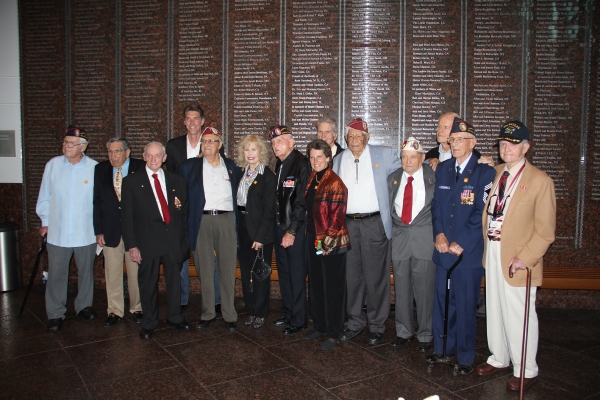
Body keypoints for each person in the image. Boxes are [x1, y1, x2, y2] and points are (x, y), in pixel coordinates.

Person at [476, 121, 556, 392]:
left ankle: (526, 368)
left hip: (518, 258)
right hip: (494, 251)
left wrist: (526, 257)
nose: (506, 148)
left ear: (526, 147)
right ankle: (499, 357)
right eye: (502, 143)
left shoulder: (540, 181)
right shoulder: (496, 173)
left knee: (520, 314)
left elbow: (546, 231)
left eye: (513, 143)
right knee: (495, 309)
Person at [427, 117, 496, 374]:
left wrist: (462, 242)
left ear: (473, 143)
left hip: (467, 254)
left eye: (460, 140)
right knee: (443, 303)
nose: (455, 143)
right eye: (452, 139)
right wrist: (440, 235)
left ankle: (465, 358)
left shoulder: (485, 173)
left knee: (466, 305)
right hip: (444, 249)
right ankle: (442, 350)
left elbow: (483, 213)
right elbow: (437, 207)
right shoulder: (443, 169)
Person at [332, 118, 401, 345]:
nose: (354, 140)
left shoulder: (386, 154)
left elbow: (408, 171)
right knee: (352, 277)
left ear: (367, 137)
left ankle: (377, 325)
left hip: (374, 224)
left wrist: (431, 161)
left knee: (376, 277)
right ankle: (355, 322)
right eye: (350, 136)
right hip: (348, 224)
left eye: (359, 136)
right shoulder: (339, 159)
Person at [121, 142, 191, 339]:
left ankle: (175, 317)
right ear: (143, 156)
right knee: (148, 283)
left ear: (164, 157)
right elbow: (127, 218)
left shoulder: (177, 180)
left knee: (175, 283)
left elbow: (183, 214)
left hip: (173, 241)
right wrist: (132, 245)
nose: (153, 159)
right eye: (149, 156)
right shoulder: (131, 182)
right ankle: (149, 321)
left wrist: (184, 241)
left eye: (157, 155)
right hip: (146, 242)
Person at [36, 126, 98, 332]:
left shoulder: (94, 168)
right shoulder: (53, 165)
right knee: (56, 274)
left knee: (86, 272)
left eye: (70, 143)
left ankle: (84, 306)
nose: (66, 146)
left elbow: (98, 202)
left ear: (83, 147)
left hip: (85, 231)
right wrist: (45, 221)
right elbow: (45, 196)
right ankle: (55, 313)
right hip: (58, 231)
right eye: (64, 142)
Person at [178, 126, 240, 332]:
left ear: (220, 145)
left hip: (226, 220)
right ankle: (207, 313)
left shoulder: (232, 167)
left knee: (227, 268)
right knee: (204, 268)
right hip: (201, 221)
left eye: (212, 141)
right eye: (204, 142)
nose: (207, 145)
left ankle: (229, 314)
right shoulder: (189, 167)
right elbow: (182, 198)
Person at [165, 104, 221, 313]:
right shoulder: (173, 146)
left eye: (196, 118)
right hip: (180, 210)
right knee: (180, 256)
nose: (192, 122)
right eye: (188, 118)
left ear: (203, 121)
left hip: (205, 208)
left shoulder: (212, 143)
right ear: (184, 121)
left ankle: (215, 299)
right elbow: (169, 178)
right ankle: (181, 300)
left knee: (209, 256)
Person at [387, 137, 436, 351]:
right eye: (405, 157)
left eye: (413, 157)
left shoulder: (434, 177)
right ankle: (403, 331)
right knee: (402, 289)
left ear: (422, 158)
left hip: (425, 241)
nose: (408, 161)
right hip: (400, 242)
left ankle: (425, 334)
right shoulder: (393, 178)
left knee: (425, 290)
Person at [303, 139, 350, 351]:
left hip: (331, 243)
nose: (315, 161)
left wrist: (326, 244)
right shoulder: (313, 177)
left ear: (328, 158)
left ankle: (334, 332)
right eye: (312, 157)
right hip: (314, 239)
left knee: (333, 288)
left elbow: (337, 218)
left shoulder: (335, 183)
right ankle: (320, 326)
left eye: (319, 157)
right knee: (316, 285)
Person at [93, 138, 144, 327]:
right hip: (110, 229)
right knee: (112, 272)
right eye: (110, 151)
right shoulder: (101, 169)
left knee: (135, 271)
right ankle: (114, 310)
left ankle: (137, 308)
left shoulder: (140, 167)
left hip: (135, 230)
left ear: (127, 152)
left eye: (117, 151)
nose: (112, 156)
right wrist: (99, 230)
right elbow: (97, 201)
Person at [270, 125, 310, 334]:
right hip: (280, 227)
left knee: (295, 274)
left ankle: (299, 320)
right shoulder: (280, 164)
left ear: (292, 142)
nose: (275, 145)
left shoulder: (301, 164)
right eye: (273, 142)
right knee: (284, 273)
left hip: (294, 230)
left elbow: (301, 202)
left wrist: (292, 230)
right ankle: (289, 314)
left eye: (280, 141)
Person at [235, 134, 276, 329]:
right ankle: (250, 310)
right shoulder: (241, 173)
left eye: (254, 149)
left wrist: (260, 237)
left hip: (260, 231)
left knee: (260, 273)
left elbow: (269, 211)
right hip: (242, 227)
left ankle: (260, 312)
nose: (250, 153)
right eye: (246, 149)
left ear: (261, 151)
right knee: (246, 272)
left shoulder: (267, 176)